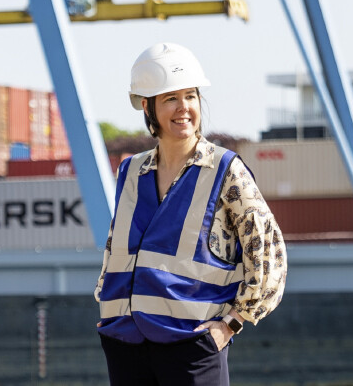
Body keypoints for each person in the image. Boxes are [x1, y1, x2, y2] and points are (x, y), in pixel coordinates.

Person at [94, 42, 288, 386]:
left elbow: (269, 254)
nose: (183, 107)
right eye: (170, 98)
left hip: (191, 346)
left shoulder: (225, 170)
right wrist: (107, 307)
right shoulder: (131, 172)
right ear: (147, 106)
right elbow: (116, 249)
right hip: (124, 343)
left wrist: (232, 323)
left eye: (191, 96)